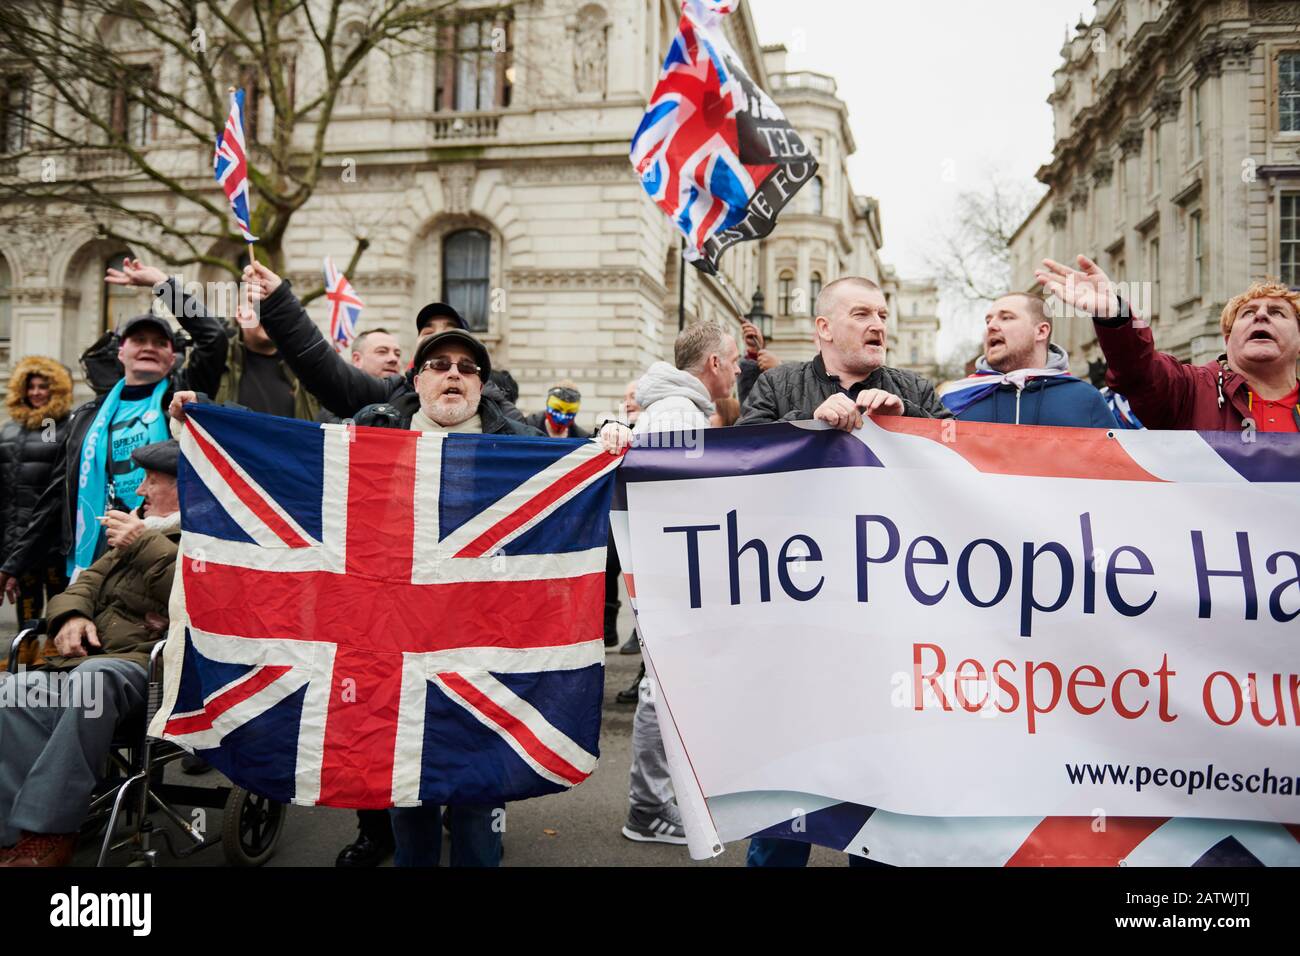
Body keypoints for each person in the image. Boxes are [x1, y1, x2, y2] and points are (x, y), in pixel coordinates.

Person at [0, 440, 182, 867]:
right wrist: (71, 618)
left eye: (151, 481)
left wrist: (140, 545)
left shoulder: (209, 538)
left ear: (183, 487)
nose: (140, 492)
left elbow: (195, 600)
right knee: (15, 690)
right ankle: (13, 833)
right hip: (98, 662)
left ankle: (49, 832)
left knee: (93, 680)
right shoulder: (140, 530)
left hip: (154, 671)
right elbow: (80, 587)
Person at [600, 321, 740, 846]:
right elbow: (676, 502)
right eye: (734, 360)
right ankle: (648, 808)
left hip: (668, 570)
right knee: (662, 692)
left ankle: (660, 800)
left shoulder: (678, 410)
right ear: (713, 365)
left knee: (665, 690)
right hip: (671, 575)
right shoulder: (680, 414)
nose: (739, 369)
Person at [0, 312, 193, 601]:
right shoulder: (85, 417)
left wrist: (164, 285)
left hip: (156, 555)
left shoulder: (182, 407)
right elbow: (56, 493)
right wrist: (16, 560)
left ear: (172, 356)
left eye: (158, 342)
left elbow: (212, 339)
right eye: (139, 340)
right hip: (88, 554)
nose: (148, 347)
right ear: (121, 352)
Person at [240, 262, 533, 438]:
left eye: (466, 366)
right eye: (440, 363)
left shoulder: (513, 432)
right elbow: (325, 371)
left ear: (480, 384)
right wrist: (280, 304)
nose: (454, 373)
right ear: (417, 377)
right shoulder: (384, 411)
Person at [1037, 256, 1299, 432]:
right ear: (1228, 339)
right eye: (1248, 313)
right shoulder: (1190, 390)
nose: (1262, 316)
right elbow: (1139, 372)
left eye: (1277, 312)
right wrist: (1114, 314)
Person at [107, 258, 324, 421]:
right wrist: (164, 285)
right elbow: (211, 335)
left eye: (276, 308)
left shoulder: (303, 363)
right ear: (240, 314)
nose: (270, 314)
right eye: (259, 306)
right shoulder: (219, 360)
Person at [739, 276, 950, 427]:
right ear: (825, 328)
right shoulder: (775, 384)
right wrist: (809, 421)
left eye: (882, 316)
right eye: (861, 314)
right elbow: (741, 452)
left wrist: (906, 416)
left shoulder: (916, 388)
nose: (879, 326)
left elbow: (961, 449)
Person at [940, 292, 1114, 426]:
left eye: (1006, 317)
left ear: (1041, 331)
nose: (991, 326)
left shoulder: (1085, 399)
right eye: (988, 321)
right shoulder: (952, 400)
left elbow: (1115, 468)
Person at [0, 358, 73, 646]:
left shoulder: (52, 425)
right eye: (31, 387)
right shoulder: (9, 429)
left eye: (44, 386)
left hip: (53, 539)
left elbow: (49, 450)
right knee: (26, 610)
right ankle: (26, 662)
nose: (37, 392)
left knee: (57, 606)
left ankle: (56, 660)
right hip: (19, 541)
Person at [526, 381, 590, 438]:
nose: (562, 418)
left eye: (569, 413)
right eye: (557, 410)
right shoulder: (527, 426)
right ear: (548, 404)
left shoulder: (581, 437)